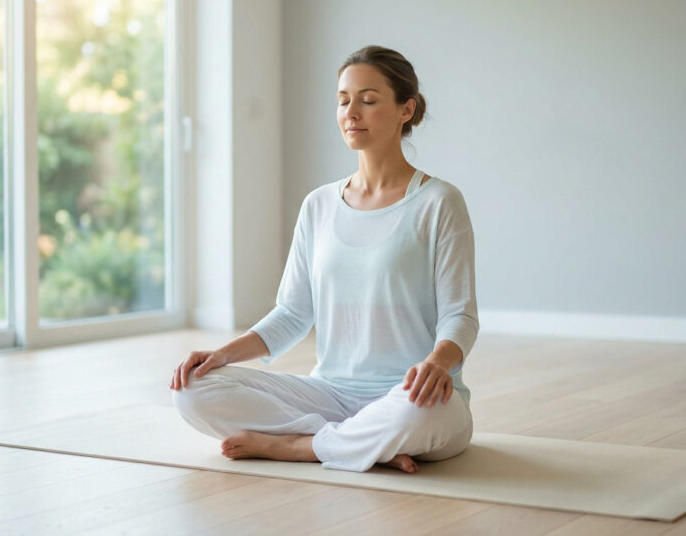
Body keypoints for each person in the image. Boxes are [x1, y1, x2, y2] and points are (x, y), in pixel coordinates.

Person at [170, 45, 478, 474]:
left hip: (410, 395)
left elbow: (460, 316)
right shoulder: (319, 205)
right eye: (343, 100)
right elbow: (294, 313)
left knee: (420, 414)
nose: (352, 112)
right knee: (192, 390)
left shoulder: (439, 202)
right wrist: (222, 355)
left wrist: (437, 363)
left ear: (405, 109)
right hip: (329, 395)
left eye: (368, 101)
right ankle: (357, 443)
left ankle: (300, 446)